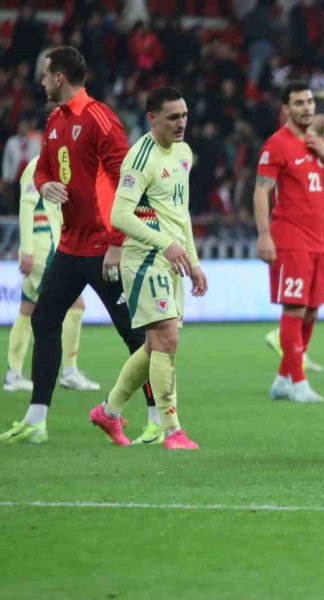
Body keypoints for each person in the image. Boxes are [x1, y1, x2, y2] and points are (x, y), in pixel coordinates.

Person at [0, 46, 157, 445]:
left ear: (60, 78)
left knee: (137, 335)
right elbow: (44, 169)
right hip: (70, 247)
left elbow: (128, 179)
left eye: (45, 74)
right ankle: (36, 421)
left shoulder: (100, 118)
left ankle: (159, 421)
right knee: (44, 320)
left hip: (106, 246)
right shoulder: (54, 121)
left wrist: (119, 243)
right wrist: (44, 185)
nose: (40, 81)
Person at [89, 86, 207, 449]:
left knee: (155, 346)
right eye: (173, 117)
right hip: (144, 260)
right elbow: (120, 215)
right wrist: (165, 244)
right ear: (152, 118)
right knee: (166, 339)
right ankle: (172, 430)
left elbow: (180, 212)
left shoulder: (183, 153)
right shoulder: (140, 158)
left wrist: (194, 259)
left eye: (184, 115)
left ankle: (108, 413)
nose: (182, 123)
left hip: (171, 258)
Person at [254, 81, 324, 404]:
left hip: (319, 239)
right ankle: (299, 381)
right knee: (294, 307)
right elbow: (261, 190)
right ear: (286, 109)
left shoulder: (316, 143)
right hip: (289, 238)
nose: (306, 108)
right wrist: (264, 234)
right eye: (299, 103)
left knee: (311, 312)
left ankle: (282, 379)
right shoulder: (276, 145)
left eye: (309, 103)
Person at [5, 156, 100, 393]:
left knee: (27, 309)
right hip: (42, 249)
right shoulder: (39, 166)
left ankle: (13, 375)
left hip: (46, 246)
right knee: (76, 305)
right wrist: (26, 250)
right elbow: (27, 205)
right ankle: (69, 372)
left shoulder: (58, 168)